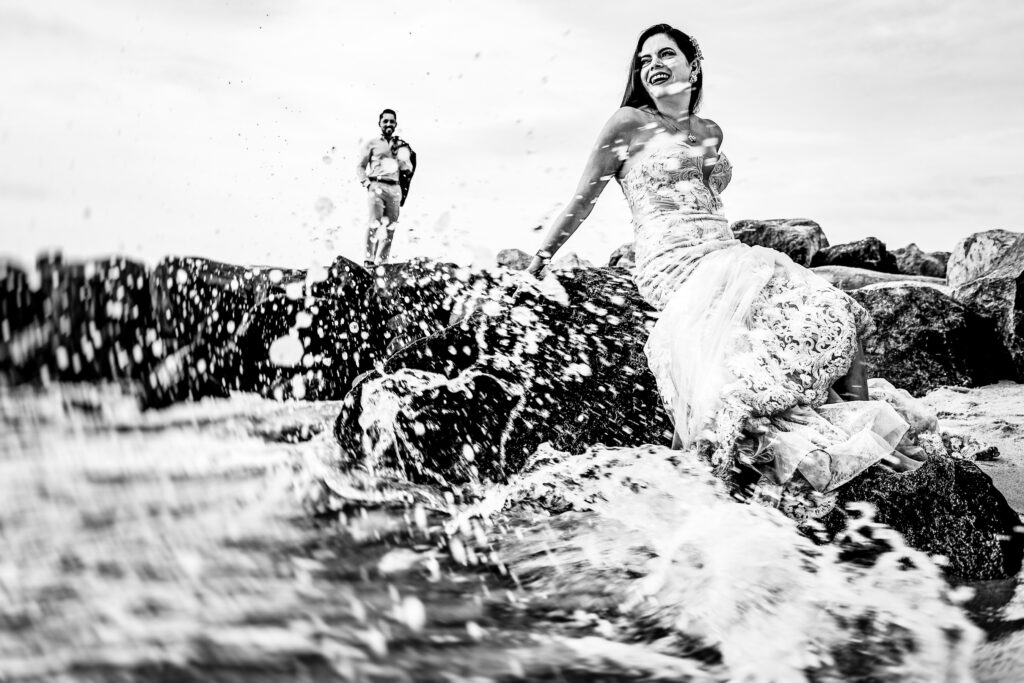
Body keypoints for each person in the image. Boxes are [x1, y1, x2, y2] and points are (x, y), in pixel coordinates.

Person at [525, 23, 926, 521]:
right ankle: (847, 452)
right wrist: (541, 258)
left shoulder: (710, 132)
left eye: (665, 54)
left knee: (831, 307)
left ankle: (859, 436)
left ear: (692, 66)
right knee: (750, 344)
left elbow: (709, 201)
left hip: (725, 247)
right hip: (672, 259)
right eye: (644, 58)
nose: (653, 64)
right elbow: (584, 197)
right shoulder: (627, 122)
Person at [356, 108, 415, 267]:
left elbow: (407, 169)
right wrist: (367, 184)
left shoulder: (401, 145)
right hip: (376, 184)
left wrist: (402, 154)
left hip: (395, 188)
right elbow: (360, 167)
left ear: (396, 124)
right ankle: (369, 260)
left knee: (391, 226)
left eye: (392, 121)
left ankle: (382, 262)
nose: (389, 123)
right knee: (374, 222)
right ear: (380, 124)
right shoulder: (372, 144)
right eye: (385, 121)